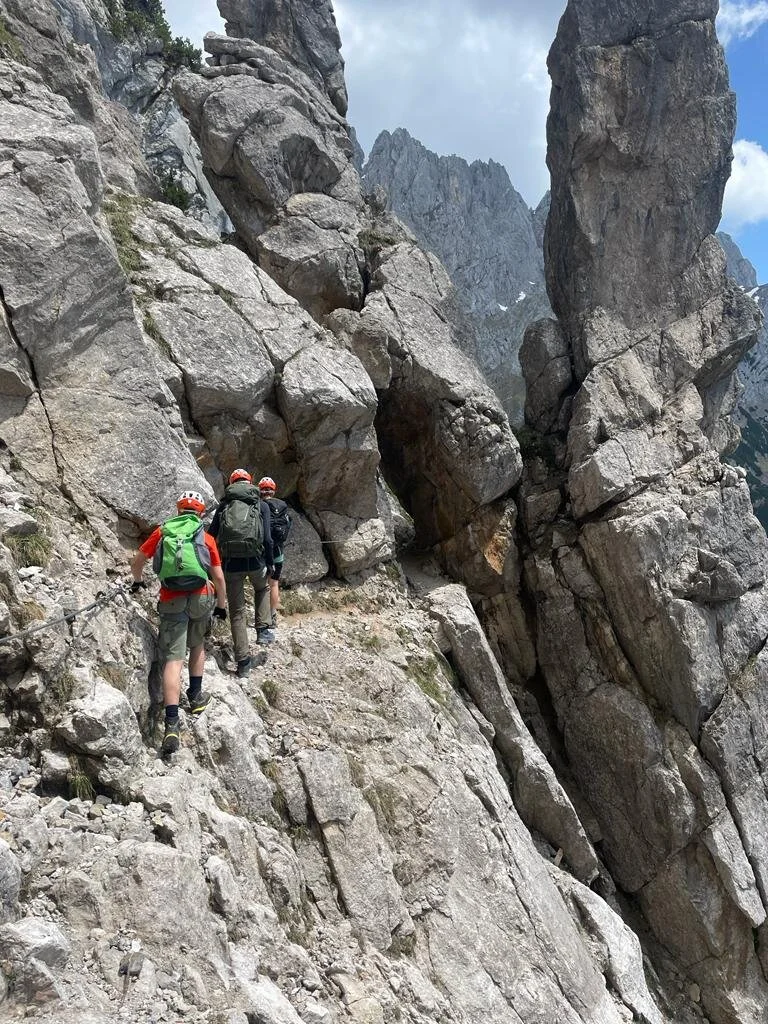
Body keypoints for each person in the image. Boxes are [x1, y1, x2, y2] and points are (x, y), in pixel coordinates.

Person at [129, 490, 227, 756]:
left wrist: (138, 582)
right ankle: (195, 697)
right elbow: (218, 577)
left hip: (171, 599)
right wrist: (221, 606)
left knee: (173, 660)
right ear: (199, 511)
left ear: (178, 509)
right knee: (197, 646)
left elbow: (137, 562)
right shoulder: (205, 537)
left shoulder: (163, 532)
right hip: (201, 598)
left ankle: (171, 724)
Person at [209, 469, 274, 677]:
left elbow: (211, 536)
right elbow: (268, 539)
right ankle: (263, 630)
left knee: (237, 613)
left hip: (231, 565)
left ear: (231, 483)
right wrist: (270, 562)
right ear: (250, 482)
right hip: (255, 560)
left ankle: (243, 663)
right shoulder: (260, 504)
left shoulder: (224, 505)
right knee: (262, 587)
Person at [258, 476, 292, 627]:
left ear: (260, 491)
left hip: (262, 550)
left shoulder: (259, 505)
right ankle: (272, 616)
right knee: (274, 583)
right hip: (278, 549)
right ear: (273, 490)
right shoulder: (282, 505)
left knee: (261, 585)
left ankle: (261, 617)